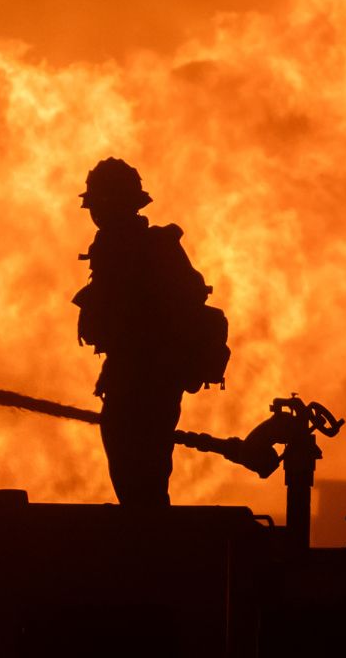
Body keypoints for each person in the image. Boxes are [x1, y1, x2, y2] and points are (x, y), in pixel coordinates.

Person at [71, 157, 215, 506]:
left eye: (101, 204)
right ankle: (142, 523)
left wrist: (137, 369)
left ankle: (147, 530)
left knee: (143, 474)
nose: (96, 214)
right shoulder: (115, 248)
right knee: (132, 471)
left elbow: (153, 324)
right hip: (133, 377)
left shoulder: (149, 249)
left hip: (150, 381)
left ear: (120, 205)